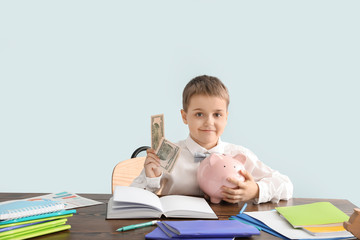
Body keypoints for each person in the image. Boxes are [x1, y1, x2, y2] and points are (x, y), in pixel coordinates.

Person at [131, 75, 293, 203]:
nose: (209, 122)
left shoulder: (239, 154)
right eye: (199, 114)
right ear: (185, 116)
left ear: (226, 117)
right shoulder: (166, 154)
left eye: (217, 114)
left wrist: (256, 190)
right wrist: (151, 180)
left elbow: (286, 185)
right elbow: (132, 197)